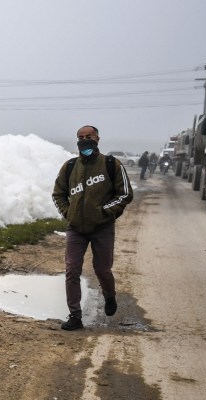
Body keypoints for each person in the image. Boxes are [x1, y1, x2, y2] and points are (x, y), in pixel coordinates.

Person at [52, 125, 133, 331]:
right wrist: (68, 213)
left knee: (102, 269)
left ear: (98, 138)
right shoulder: (70, 166)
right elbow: (58, 194)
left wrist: (104, 211)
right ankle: (75, 316)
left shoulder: (110, 164)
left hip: (102, 228)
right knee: (72, 270)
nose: (85, 140)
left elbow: (125, 194)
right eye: (81, 137)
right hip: (76, 229)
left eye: (89, 136)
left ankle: (109, 296)